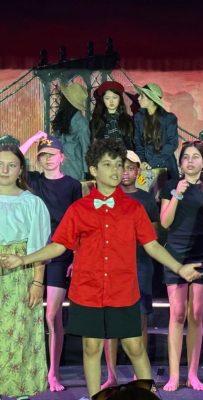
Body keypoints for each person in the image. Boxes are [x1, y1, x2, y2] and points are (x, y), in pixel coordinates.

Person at [0, 139, 201, 399]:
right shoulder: (79, 209)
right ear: (94, 170)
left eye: (118, 165)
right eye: (108, 165)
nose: (116, 170)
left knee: (135, 347)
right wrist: (23, 260)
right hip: (87, 291)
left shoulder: (133, 208)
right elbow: (58, 245)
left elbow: (152, 245)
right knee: (91, 348)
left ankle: (149, 396)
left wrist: (179, 268)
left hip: (123, 291)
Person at [19, 131, 82, 392]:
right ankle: (26, 367)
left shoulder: (72, 185)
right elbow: (14, 158)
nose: (47, 159)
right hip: (33, 252)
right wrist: (34, 137)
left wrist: (76, 256)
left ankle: (53, 372)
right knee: (28, 311)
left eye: (52, 154)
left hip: (59, 253)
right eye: (43, 155)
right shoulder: (33, 180)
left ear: (62, 157)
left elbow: (80, 223)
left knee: (52, 314)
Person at [160, 140, 203, 391]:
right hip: (175, 254)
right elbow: (165, 223)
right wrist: (177, 194)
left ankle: (193, 374)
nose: (191, 161)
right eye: (186, 157)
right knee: (176, 314)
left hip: (202, 253)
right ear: (180, 163)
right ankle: (174, 375)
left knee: (196, 314)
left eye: (196, 157)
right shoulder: (171, 186)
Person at [102, 150, 159, 389]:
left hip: (140, 266)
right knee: (110, 321)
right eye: (121, 167)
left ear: (138, 171)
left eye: (130, 168)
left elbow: (154, 234)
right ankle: (111, 375)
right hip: (111, 266)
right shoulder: (106, 197)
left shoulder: (146, 200)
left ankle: (139, 375)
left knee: (140, 318)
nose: (125, 172)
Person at [0, 143, 51, 399]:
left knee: (19, 333)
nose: (4, 170)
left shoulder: (32, 203)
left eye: (11, 165)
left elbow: (39, 247)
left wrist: (37, 283)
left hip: (19, 277)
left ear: (20, 169)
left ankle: (18, 391)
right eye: (0, 164)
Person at [133, 83, 179, 180]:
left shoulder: (169, 118)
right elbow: (138, 143)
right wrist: (142, 161)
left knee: (167, 190)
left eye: (142, 96)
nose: (138, 98)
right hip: (146, 167)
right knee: (144, 189)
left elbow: (172, 144)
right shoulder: (138, 118)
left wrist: (152, 163)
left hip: (166, 166)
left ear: (151, 99)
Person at [52, 82, 91, 180]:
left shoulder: (81, 123)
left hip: (74, 168)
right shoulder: (61, 118)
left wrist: (87, 171)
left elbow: (86, 148)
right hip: (58, 166)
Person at [90, 81, 134, 150]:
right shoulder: (96, 122)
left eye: (114, 97)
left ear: (120, 99)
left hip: (125, 155)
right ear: (103, 100)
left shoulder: (128, 120)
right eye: (107, 98)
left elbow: (131, 144)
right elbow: (93, 146)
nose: (111, 101)